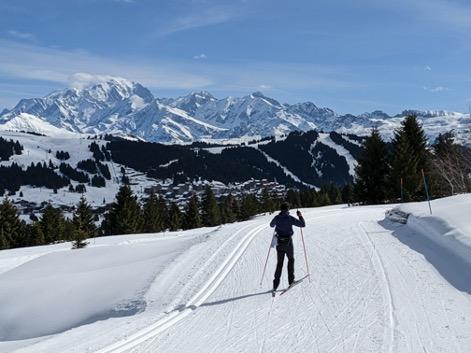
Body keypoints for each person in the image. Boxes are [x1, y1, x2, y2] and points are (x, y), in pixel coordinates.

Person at [269, 203, 305, 292]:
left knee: (279, 263)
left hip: (279, 243)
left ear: (281, 209)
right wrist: (300, 216)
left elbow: (271, 225)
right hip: (288, 242)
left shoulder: (277, 218)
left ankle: (275, 285)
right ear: (288, 209)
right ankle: (291, 281)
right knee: (291, 260)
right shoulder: (290, 218)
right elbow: (302, 225)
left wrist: (277, 223)